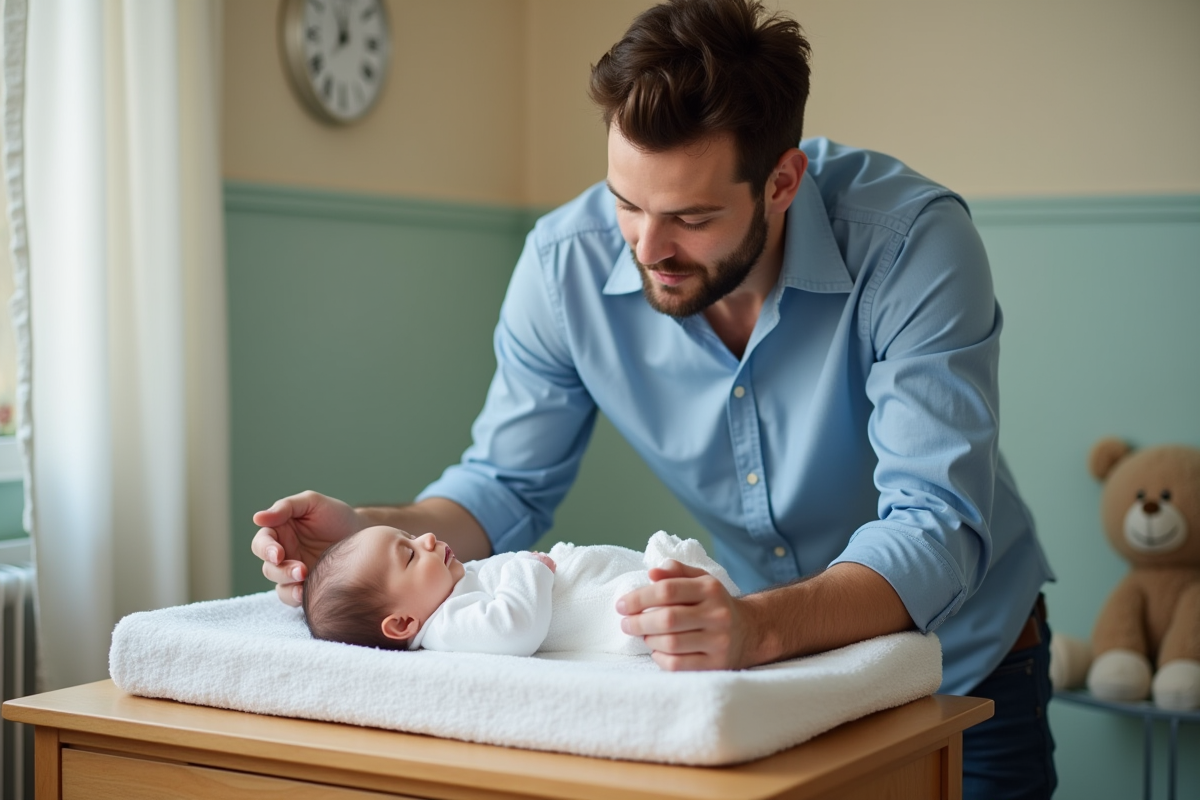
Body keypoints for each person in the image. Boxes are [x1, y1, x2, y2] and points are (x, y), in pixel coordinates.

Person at [253, 0, 1056, 795]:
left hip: (962, 664)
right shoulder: (562, 268)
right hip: (760, 688)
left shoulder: (911, 245)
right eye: (626, 203)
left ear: (782, 181)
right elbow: (504, 486)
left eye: (692, 217)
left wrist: (757, 626)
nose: (647, 248)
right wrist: (371, 535)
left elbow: (933, 525)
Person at [303, 526, 737, 658]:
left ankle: (708, 588)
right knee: (667, 592)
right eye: (412, 556)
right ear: (401, 623)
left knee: (677, 579)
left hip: (600, 578)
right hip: (610, 604)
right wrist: (528, 569)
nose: (428, 539)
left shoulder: (450, 586)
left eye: (411, 536)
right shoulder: (446, 628)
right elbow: (514, 628)